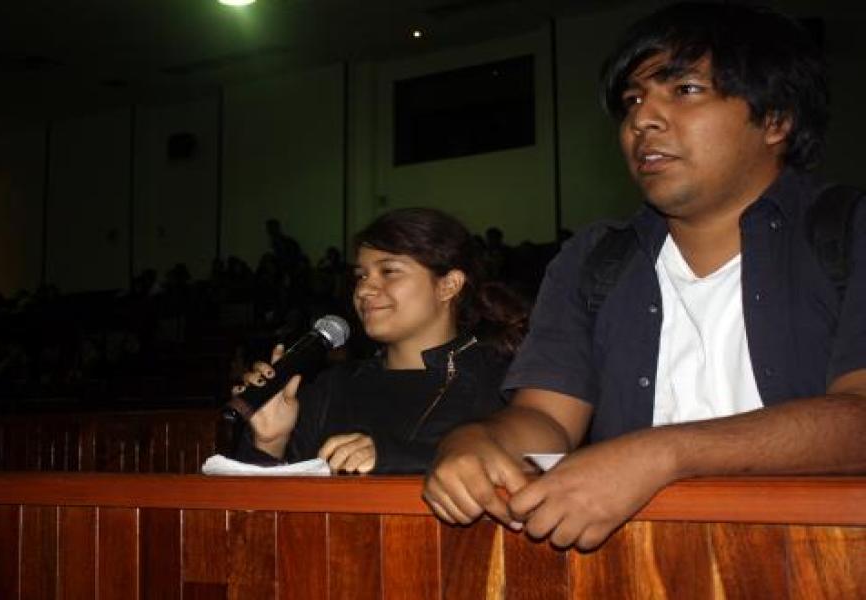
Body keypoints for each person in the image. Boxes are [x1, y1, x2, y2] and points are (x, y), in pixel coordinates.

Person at [423, 2, 866, 550]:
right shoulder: (593, 259)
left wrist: (662, 454)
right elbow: (545, 419)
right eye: (633, 100)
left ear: (775, 118)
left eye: (685, 90)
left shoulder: (849, 233)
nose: (642, 120)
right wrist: (476, 440)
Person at [232, 208, 528, 474]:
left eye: (389, 272)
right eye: (361, 276)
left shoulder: (506, 383)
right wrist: (269, 442)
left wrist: (392, 457)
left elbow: (533, 468)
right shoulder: (332, 388)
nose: (364, 290)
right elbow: (256, 521)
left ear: (448, 285)